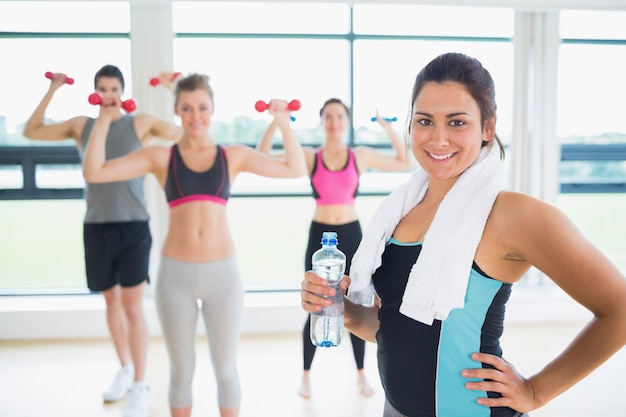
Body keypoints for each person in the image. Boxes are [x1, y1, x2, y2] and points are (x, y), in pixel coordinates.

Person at [300, 52, 626, 417]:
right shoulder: (399, 211)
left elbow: (620, 309)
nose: (438, 139)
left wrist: (535, 391)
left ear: (487, 127)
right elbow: (394, 327)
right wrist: (341, 310)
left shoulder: (513, 215)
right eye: (425, 121)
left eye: (457, 122)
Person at [83, 73, 307, 417]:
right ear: (176, 111)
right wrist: (103, 119)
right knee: (182, 373)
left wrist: (282, 122)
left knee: (225, 370)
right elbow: (94, 171)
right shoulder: (160, 157)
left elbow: (295, 169)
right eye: (187, 108)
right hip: (176, 279)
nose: (195, 116)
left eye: (202, 107)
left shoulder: (232, 156)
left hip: (224, 278)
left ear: (212, 109)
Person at [23, 65, 182, 417]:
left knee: (132, 306)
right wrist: (54, 89)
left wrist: (172, 90)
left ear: (122, 93)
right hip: (96, 225)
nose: (109, 95)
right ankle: (125, 370)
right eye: (103, 89)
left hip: (134, 226)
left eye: (114, 89)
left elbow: (186, 132)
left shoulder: (139, 123)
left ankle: (141, 383)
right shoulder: (84, 125)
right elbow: (32, 130)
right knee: (111, 304)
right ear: (95, 93)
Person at [258, 98, 409, 398]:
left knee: (355, 304)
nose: (334, 122)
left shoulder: (360, 156)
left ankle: (361, 375)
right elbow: (262, 157)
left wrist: (386, 127)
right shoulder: (311, 157)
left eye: (340, 116)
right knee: (316, 304)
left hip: (353, 236)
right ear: (322, 121)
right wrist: (278, 121)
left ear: (346, 121)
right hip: (319, 238)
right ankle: (305, 377)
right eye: (329, 117)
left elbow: (403, 160)